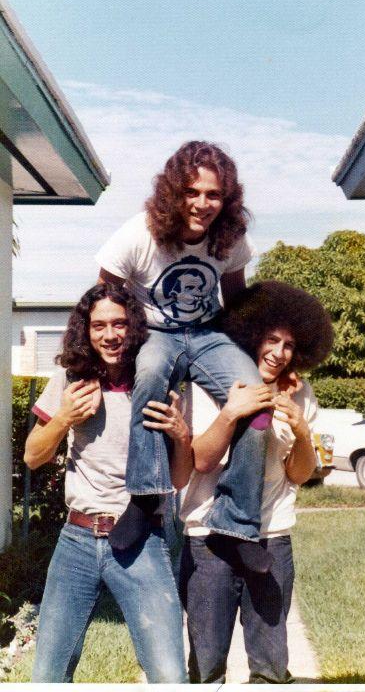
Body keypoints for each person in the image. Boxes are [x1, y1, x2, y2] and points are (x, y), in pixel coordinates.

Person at [96, 140, 273, 572]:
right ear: (174, 193)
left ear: (226, 199)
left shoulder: (230, 237)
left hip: (209, 331)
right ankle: (144, 497)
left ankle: (236, 524)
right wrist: (120, 345)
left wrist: (250, 358)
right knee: (152, 372)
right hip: (156, 331)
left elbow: (234, 297)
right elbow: (106, 290)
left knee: (257, 398)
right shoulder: (141, 232)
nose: (202, 203)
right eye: (192, 192)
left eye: (213, 194)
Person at [24, 283, 191, 683]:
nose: (110, 335)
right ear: (86, 330)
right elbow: (33, 455)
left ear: (134, 326)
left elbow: (180, 478)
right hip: (76, 540)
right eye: (99, 325)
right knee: (47, 676)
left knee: (169, 675)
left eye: (119, 323)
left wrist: (182, 436)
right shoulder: (71, 380)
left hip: (141, 539)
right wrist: (65, 417)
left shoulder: (157, 384)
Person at [179, 280, 334, 683]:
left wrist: (300, 429)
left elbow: (299, 474)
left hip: (271, 536)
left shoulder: (301, 394)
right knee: (207, 664)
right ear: (250, 335)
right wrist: (231, 414)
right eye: (271, 339)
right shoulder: (209, 383)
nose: (278, 353)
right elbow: (200, 460)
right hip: (208, 537)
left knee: (269, 664)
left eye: (288, 345)